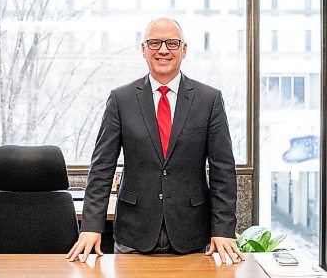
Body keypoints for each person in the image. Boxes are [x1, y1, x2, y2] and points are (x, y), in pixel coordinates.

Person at [66, 18, 244, 264]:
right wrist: (91, 226)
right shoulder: (121, 99)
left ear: (184, 50)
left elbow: (223, 170)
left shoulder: (209, 99)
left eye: (172, 43)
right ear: (143, 49)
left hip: (190, 234)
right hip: (134, 234)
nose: (163, 50)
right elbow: (102, 168)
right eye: (155, 43)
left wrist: (223, 230)